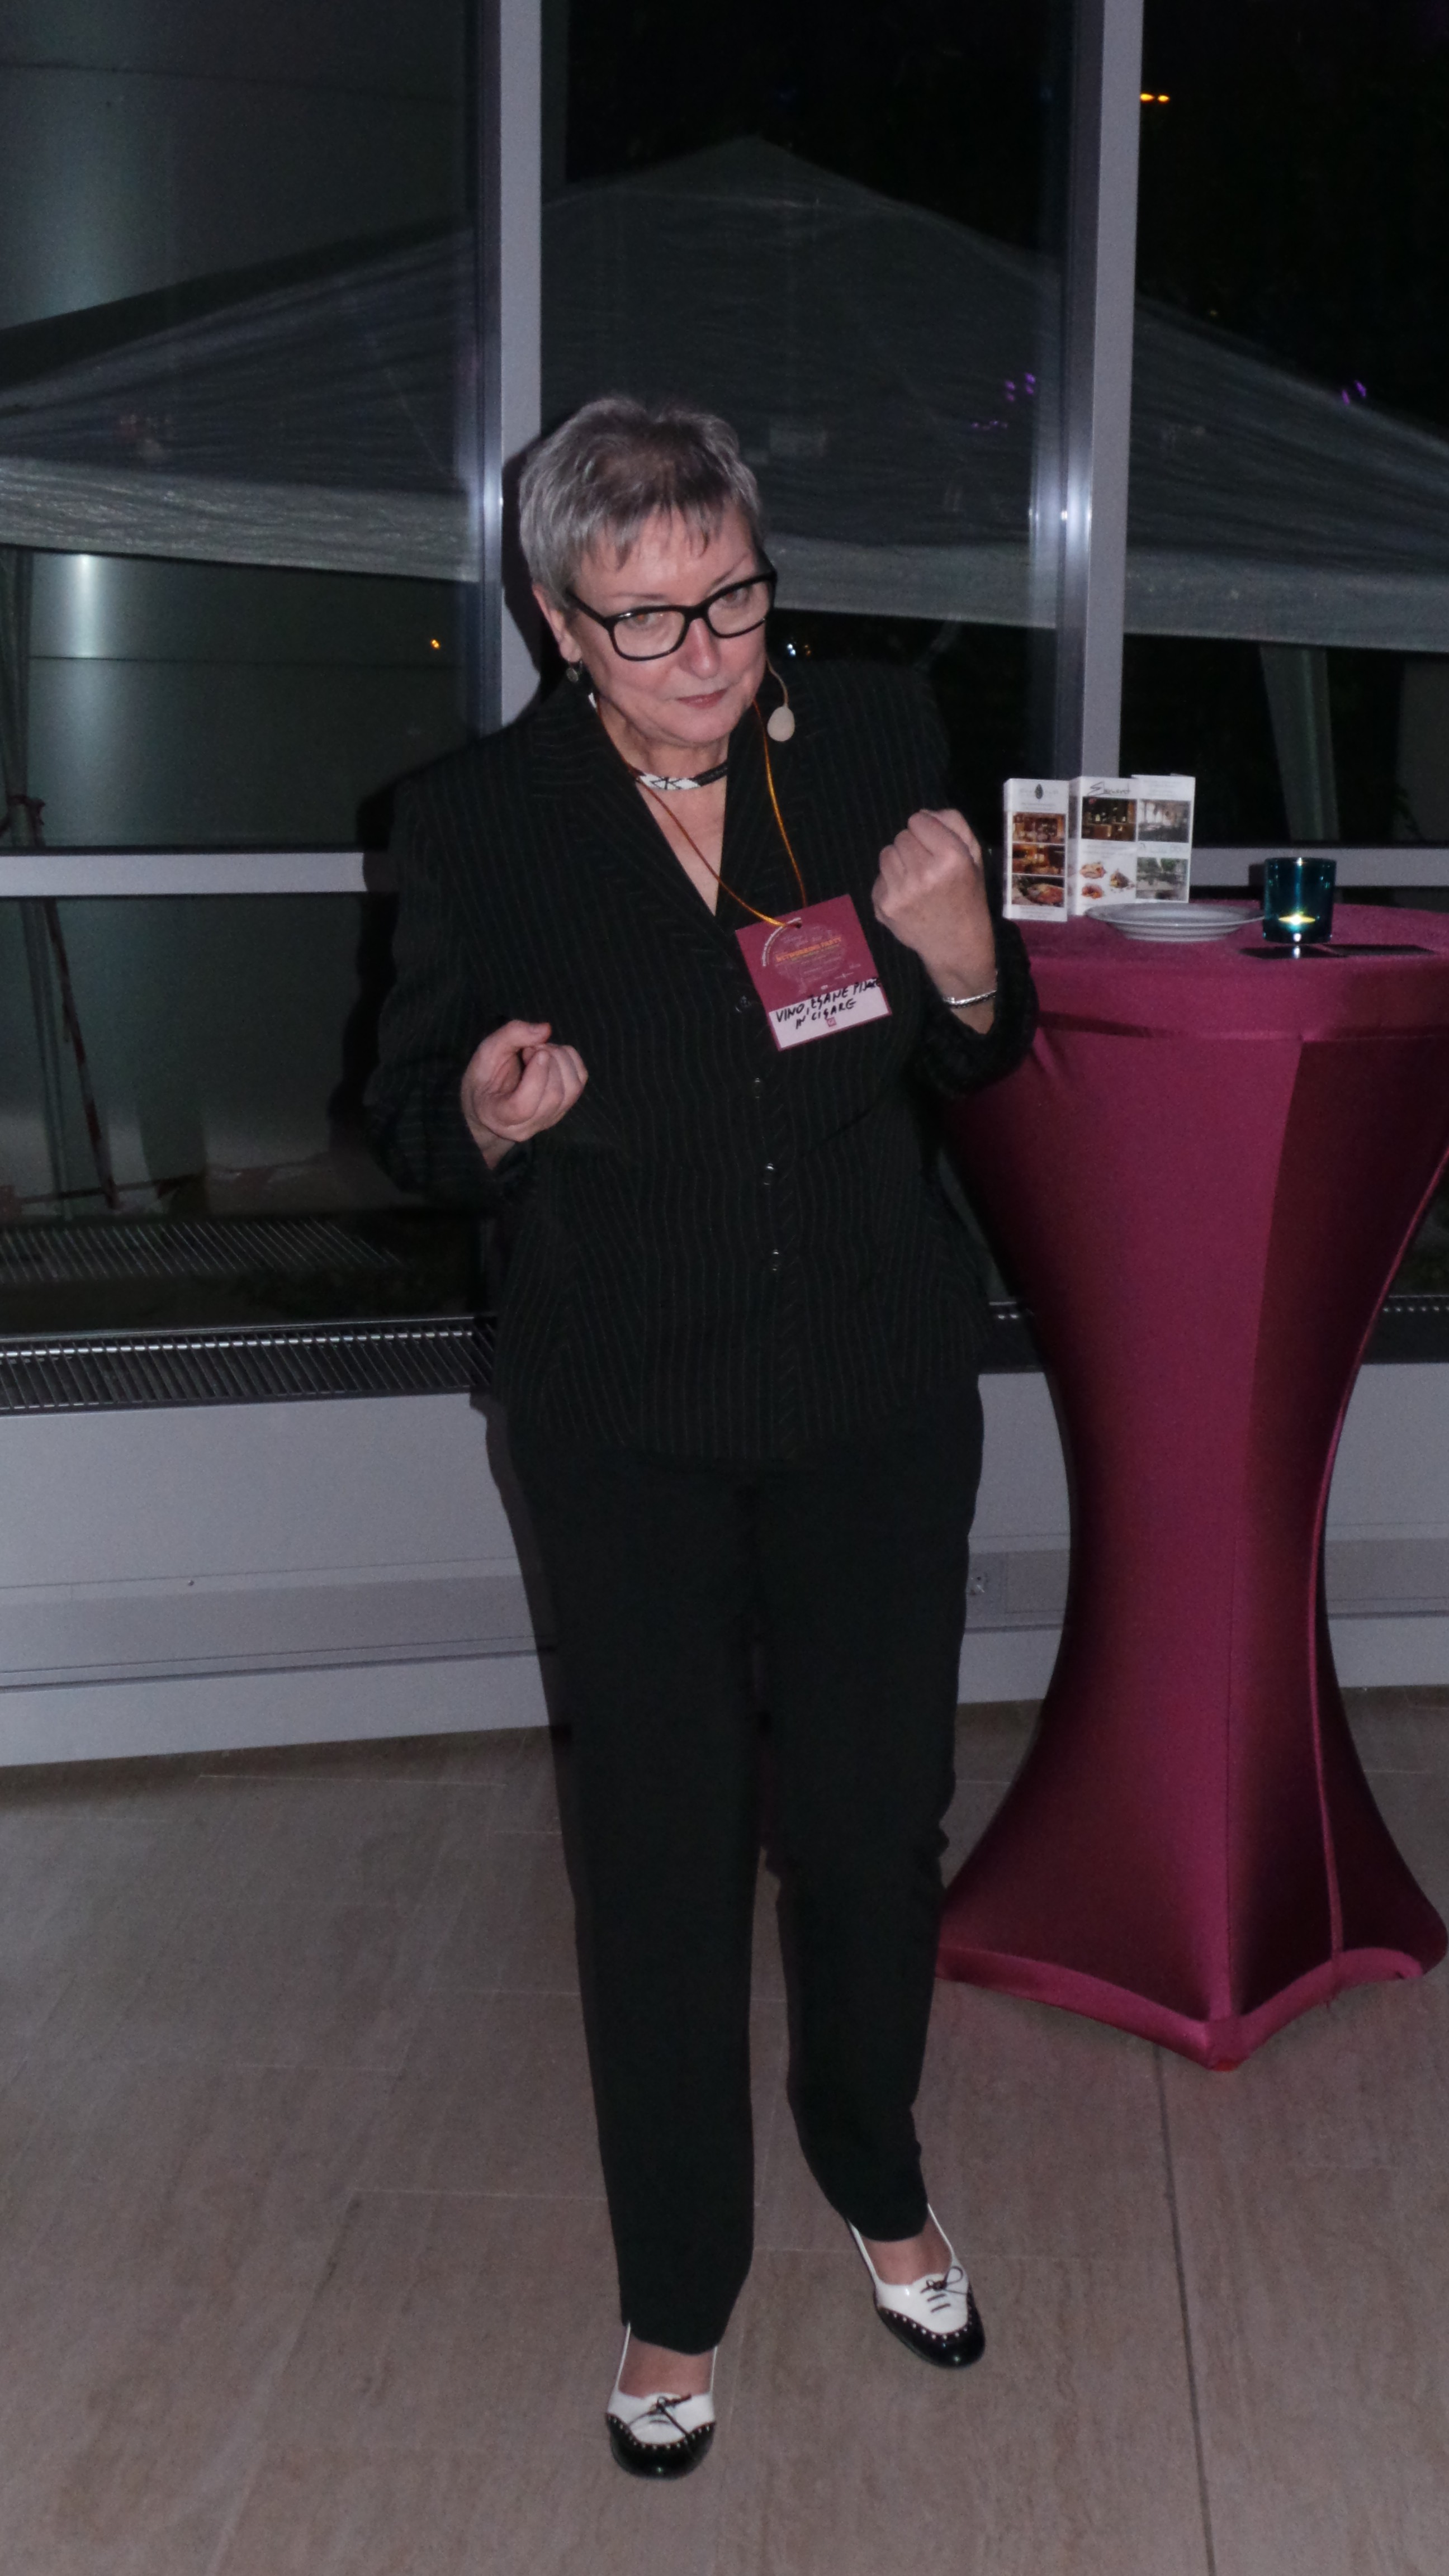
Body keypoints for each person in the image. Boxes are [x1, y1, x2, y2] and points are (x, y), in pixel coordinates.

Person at [366, 395, 1037, 2479]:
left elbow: (980, 1059)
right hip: (629, 1413)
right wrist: (482, 1119)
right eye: (645, 619)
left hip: (874, 1392)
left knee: (869, 1824)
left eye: (731, 597)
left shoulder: (878, 741)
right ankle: (679, 2288)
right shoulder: (478, 823)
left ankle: (877, 2170)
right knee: (658, 1864)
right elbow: (403, 1120)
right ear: (559, 623)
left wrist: (970, 963)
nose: (704, 652)